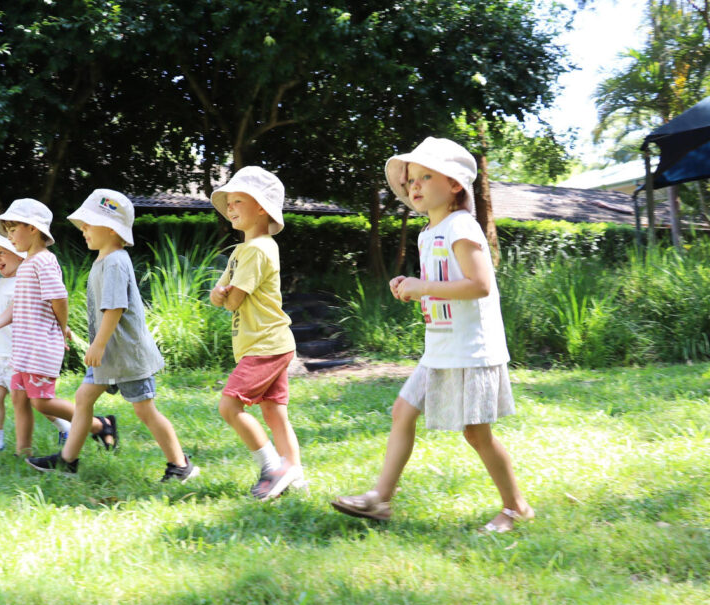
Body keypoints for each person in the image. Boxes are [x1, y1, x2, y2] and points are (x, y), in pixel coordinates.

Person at [330, 137, 533, 533]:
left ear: (455, 184)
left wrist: (422, 286)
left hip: (471, 349)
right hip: (439, 347)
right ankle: (380, 499)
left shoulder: (461, 226)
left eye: (425, 176)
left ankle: (516, 507)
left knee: (476, 433)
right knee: (402, 411)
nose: (414, 186)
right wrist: (410, 284)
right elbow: (439, 283)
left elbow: (479, 284)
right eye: (409, 181)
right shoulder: (428, 233)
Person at [26, 190, 198, 483]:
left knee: (145, 410)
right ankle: (68, 461)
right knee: (83, 398)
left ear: (111, 228)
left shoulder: (116, 261)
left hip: (126, 355)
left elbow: (115, 308)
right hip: (108, 356)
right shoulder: (104, 260)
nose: (83, 231)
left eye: (88, 225)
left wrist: (99, 344)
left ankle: (180, 465)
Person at [0, 198, 118, 459]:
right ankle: (24, 453)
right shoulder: (27, 264)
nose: (9, 237)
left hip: (41, 345)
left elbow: (59, 298)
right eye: (6, 231)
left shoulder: (43, 261)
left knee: (40, 401)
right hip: (23, 346)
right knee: (19, 399)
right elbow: (17, 305)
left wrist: (61, 328)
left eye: (13, 229)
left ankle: (100, 425)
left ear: (33, 228)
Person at [209, 166, 304, 501]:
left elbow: (231, 299)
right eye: (229, 202)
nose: (230, 208)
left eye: (237, 201)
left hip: (265, 345)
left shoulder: (258, 249)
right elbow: (221, 293)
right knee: (274, 413)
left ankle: (272, 466)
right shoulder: (243, 251)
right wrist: (221, 294)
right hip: (268, 343)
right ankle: (296, 475)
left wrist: (223, 295)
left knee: (229, 407)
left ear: (262, 207)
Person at [0, 231, 71, 454]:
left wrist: (61, 329)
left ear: (20, 256)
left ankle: (66, 427)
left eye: (2, 252)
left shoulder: (25, 282)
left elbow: (48, 307)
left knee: (35, 401)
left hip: (20, 354)